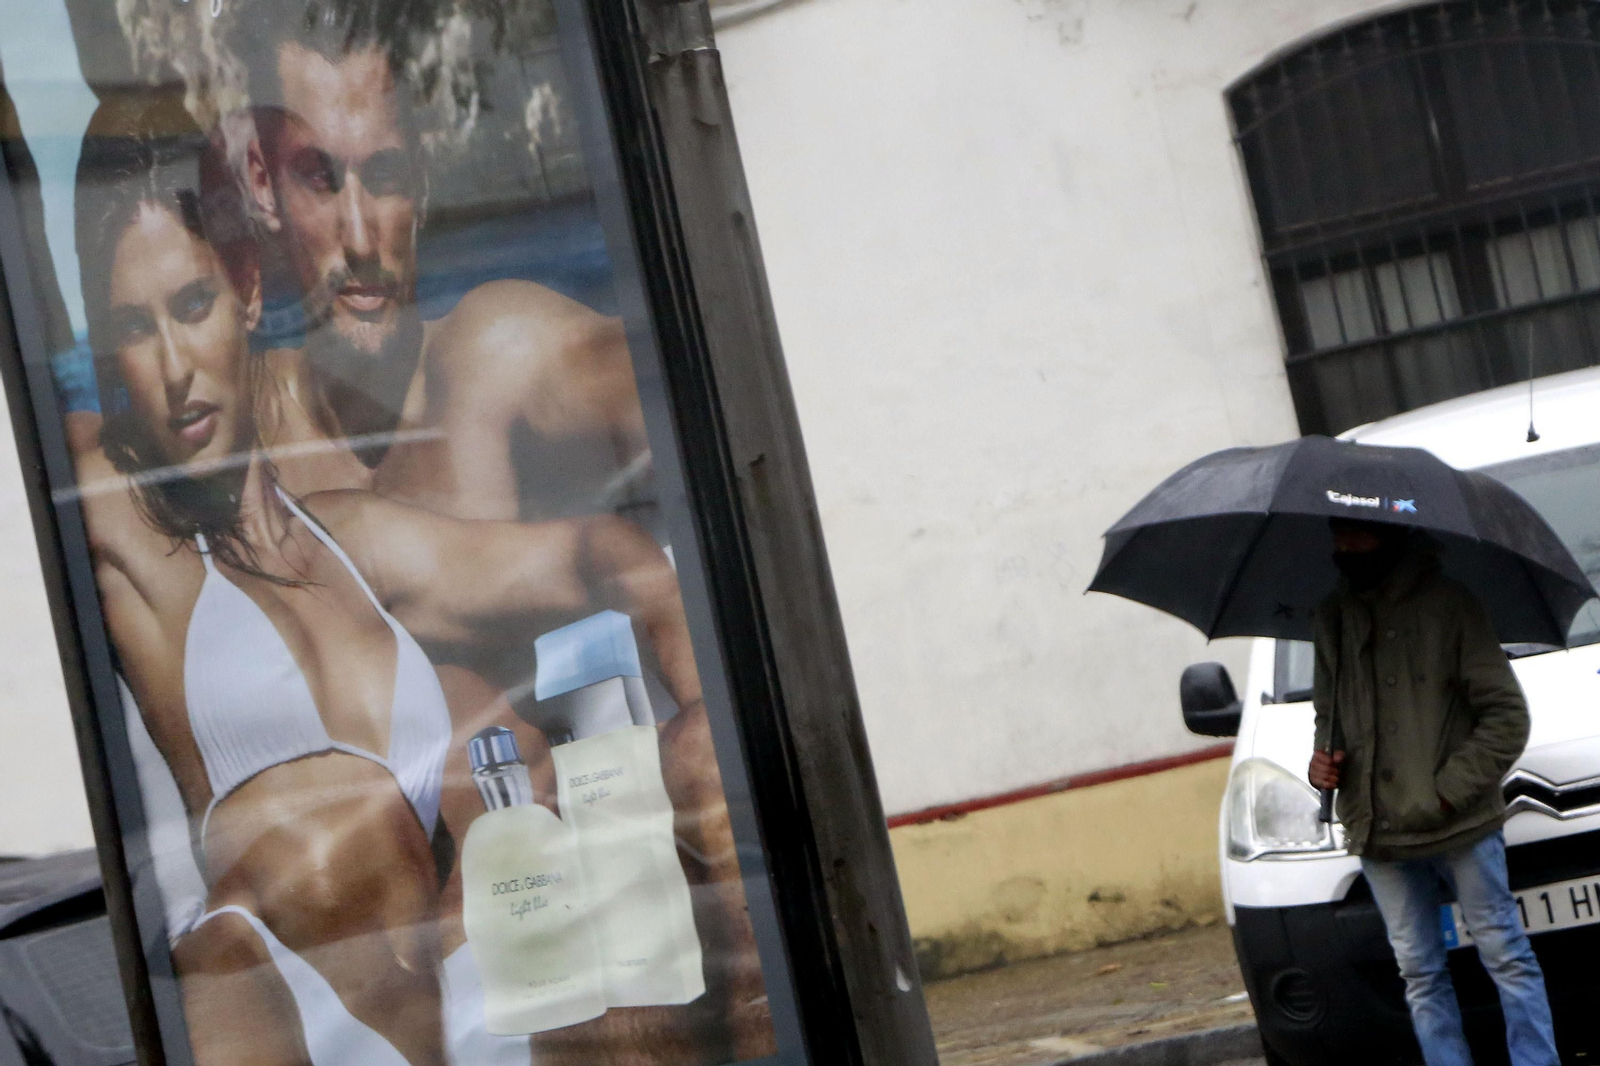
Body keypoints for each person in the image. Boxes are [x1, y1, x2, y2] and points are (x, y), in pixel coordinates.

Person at [73, 103, 704, 1066]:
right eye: (130, 327)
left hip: (461, 1002)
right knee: (313, 868)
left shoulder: (355, 540)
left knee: (645, 967)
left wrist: (701, 722)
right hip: (284, 1005)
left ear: (245, 287)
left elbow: (603, 555)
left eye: (191, 306)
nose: (170, 366)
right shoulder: (127, 521)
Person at [222, 5, 774, 1060]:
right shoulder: (246, 475)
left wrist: (708, 723)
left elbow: (674, 392)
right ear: (260, 185)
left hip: (653, 947)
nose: (360, 232)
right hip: (457, 981)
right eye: (318, 178)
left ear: (421, 186)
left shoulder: (498, 352)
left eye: (383, 175)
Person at [1307, 518, 1557, 1066]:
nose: (1343, 546)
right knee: (1418, 973)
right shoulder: (1332, 617)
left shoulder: (1450, 605)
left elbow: (1507, 717)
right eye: (1336, 535)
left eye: (1356, 533)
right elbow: (1329, 719)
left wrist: (1444, 793)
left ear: (1389, 534)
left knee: (1505, 956)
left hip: (1460, 823)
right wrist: (1321, 766)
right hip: (1379, 833)